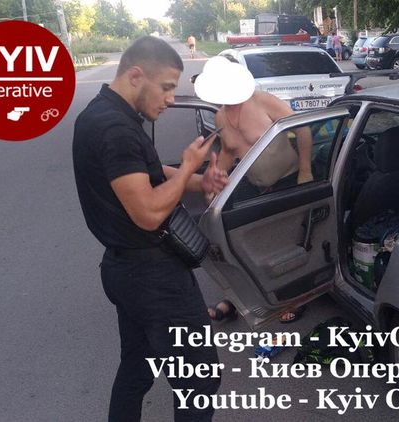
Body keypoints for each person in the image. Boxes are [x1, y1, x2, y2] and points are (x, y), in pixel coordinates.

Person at [72, 36, 228, 422]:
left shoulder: (107, 114)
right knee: (199, 379)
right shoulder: (115, 129)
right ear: (136, 75)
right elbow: (147, 213)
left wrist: (199, 181)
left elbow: (149, 171)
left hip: (127, 271)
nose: (171, 99)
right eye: (167, 87)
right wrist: (190, 166)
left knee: (137, 369)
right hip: (152, 277)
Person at [194, 55, 312, 323]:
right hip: (254, 185)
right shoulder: (221, 115)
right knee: (236, 240)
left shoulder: (263, 101)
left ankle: (295, 297)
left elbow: (302, 128)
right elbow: (228, 151)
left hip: (288, 180)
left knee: (285, 242)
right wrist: (215, 181)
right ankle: (237, 299)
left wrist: (305, 171)